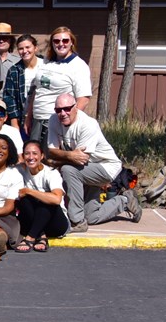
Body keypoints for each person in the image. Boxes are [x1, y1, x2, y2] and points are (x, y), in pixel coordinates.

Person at [45, 93, 141, 232]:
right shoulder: (54, 120)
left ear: (76, 107)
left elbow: (81, 159)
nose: (63, 113)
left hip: (106, 167)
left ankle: (77, 221)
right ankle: (125, 201)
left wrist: (59, 160)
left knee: (67, 170)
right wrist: (69, 155)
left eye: (67, 109)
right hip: (86, 169)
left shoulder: (87, 124)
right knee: (91, 216)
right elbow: (51, 151)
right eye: (58, 110)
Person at [30, 27, 93, 147]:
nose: (61, 44)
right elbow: (37, 90)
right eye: (56, 41)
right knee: (35, 158)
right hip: (37, 119)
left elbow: (83, 99)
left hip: (56, 122)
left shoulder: (78, 66)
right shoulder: (46, 62)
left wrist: (67, 123)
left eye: (65, 41)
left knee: (52, 159)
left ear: (71, 42)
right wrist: (29, 118)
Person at [16, 139, 68, 252]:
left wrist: (29, 191)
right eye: (27, 153)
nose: (30, 157)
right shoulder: (19, 170)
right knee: (24, 200)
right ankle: (41, 236)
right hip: (31, 221)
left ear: (42, 156)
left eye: (35, 153)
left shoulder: (51, 173)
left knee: (47, 201)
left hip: (55, 224)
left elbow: (57, 199)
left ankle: (30, 238)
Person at [2, 33, 42, 137]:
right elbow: (9, 98)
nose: (24, 51)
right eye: (21, 48)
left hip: (42, 117)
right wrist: (15, 125)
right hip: (22, 118)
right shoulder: (14, 70)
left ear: (35, 48)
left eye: (28, 47)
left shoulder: (46, 66)